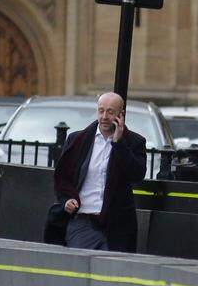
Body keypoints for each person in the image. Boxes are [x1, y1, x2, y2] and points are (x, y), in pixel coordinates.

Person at [52, 92, 147, 252]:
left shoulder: (134, 142)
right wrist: (66, 200)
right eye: (101, 110)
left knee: (114, 274)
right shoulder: (77, 140)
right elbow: (63, 178)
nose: (104, 116)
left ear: (120, 114)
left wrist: (119, 143)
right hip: (83, 222)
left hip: (118, 227)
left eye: (110, 112)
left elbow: (136, 175)